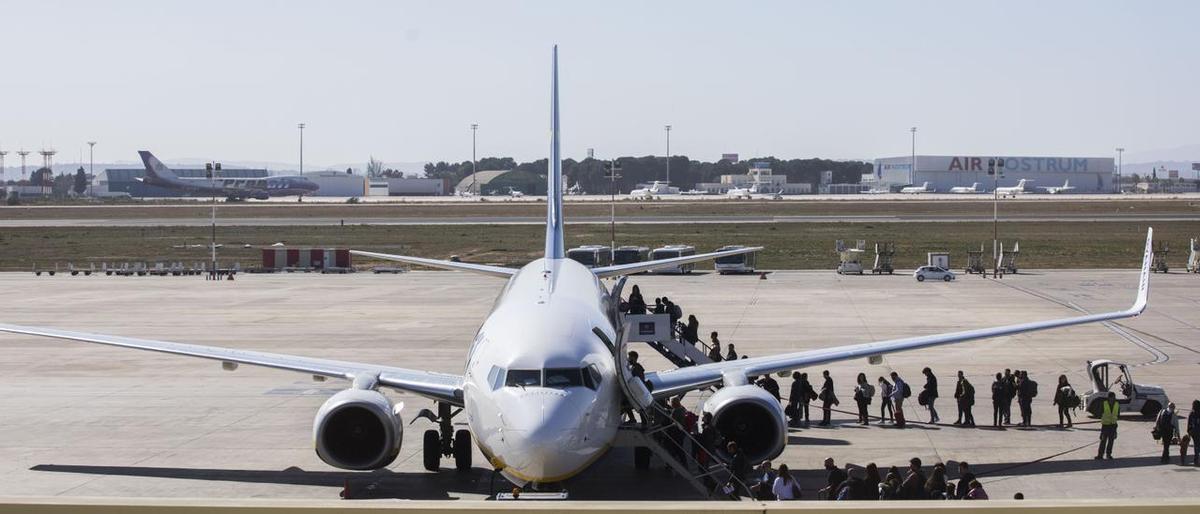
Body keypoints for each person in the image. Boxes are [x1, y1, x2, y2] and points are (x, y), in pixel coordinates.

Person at [1096, 391, 1119, 460]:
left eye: (1113, 398)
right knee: (1103, 440)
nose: (1112, 399)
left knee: (1111, 441)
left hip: (1113, 425)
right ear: (1108, 398)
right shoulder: (1104, 404)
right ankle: (1100, 455)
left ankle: (1108, 454)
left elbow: (1118, 414)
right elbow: (1099, 412)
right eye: (1111, 398)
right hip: (1105, 425)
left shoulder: (1117, 404)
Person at [1187, 400, 1200, 466]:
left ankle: (1196, 460)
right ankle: (1197, 459)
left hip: (1193, 432)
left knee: (1196, 445)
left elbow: (1189, 423)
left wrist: (1189, 431)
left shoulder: (1191, 413)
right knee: (1198, 446)